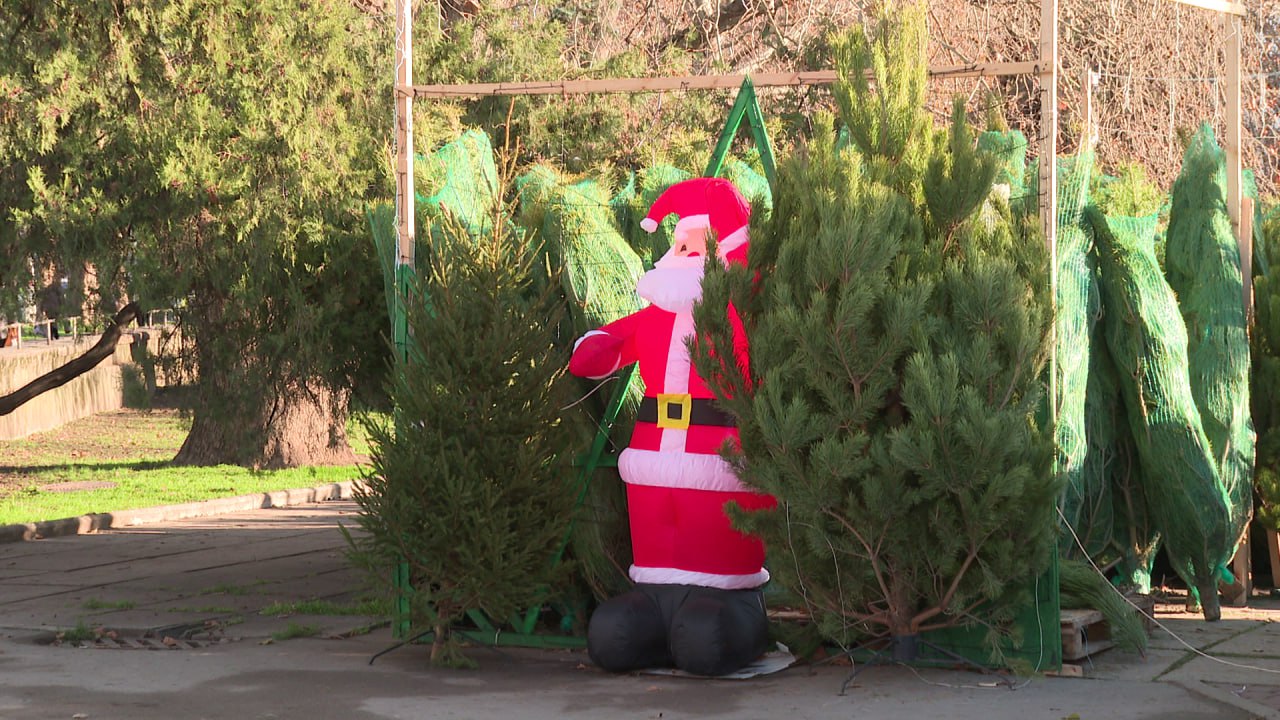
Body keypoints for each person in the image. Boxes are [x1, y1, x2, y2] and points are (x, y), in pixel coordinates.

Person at [568, 177, 774, 676]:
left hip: (720, 453)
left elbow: (760, 327)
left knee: (707, 635)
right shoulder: (654, 319)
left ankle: (736, 615)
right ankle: (656, 609)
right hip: (654, 461)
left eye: (699, 247)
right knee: (613, 635)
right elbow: (594, 354)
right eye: (681, 246)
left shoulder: (742, 316)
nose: (684, 255)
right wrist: (593, 347)